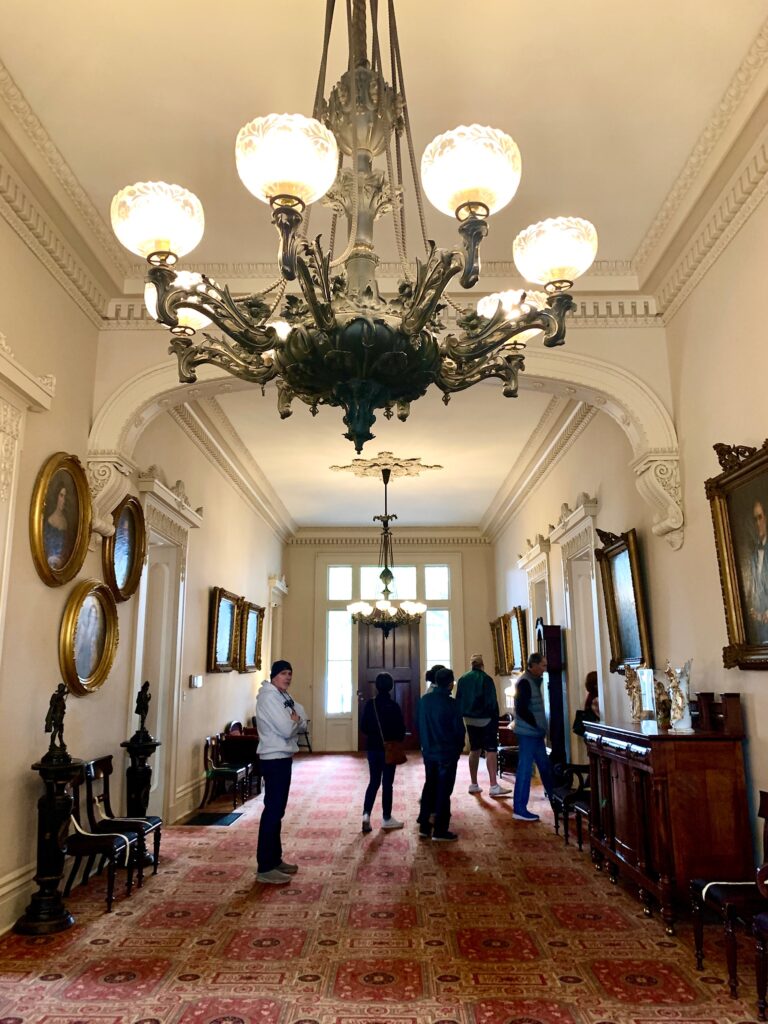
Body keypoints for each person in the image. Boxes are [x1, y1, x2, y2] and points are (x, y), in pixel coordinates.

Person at [254, 659, 308, 884]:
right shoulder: (268, 698)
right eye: (284, 673)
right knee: (273, 811)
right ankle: (265, 866)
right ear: (274, 675)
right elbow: (287, 728)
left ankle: (275, 859)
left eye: (290, 673)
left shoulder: (283, 696)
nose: (288, 677)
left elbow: (303, 720)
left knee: (278, 812)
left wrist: (296, 721)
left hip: (284, 757)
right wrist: (294, 721)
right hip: (273, 758)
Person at [416, 667, 466, 842]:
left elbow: (419, 725)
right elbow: (459, 731)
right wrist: (458, 750)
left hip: (429, 752)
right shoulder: (452, 704)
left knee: (430, 786)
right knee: (444, 791)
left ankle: (424, 826)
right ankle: (440, 830)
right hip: (446, 753)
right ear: (450, 684)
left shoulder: (424, 701)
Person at [455, 653, 510, 798]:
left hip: (469, 719)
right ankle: (493, 785)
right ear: (482, 665)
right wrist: (495, 720)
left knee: (474, 749)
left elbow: (458, 700)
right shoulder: (486, 679)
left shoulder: (463, 679)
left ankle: (473, 784)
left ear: (471, 664)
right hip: (486, 719)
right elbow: (492, 702)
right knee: (491, 750)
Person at [359, 672, 406, 833]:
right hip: (389, 750)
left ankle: (366, 814)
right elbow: (401, 731)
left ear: (376, 687)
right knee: (387, 783)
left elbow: (363, 728)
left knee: (373, 782)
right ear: (391, 687)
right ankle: (386, 818)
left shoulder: (369, 705)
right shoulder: (394, 707)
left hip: (373, 748)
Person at [513, 652, 554, 822]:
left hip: (535, 734)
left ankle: (557, 804)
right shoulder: (525, 682)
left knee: (545, 767)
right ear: (534, 665)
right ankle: (519, 808)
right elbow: (522, 709)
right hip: (528, 733)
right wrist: (536, 724)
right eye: (543, 665)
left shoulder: (533, 681)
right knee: (524, 769)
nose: (545, 669)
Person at [747, 498, 768, 643]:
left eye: (760, 517)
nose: (757, 523)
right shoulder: (754, 554)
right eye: (755, 519)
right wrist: (752, 608)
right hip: (760, 631)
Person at [44, 481, 73, 570]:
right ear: (56, 496)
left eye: (65, 497)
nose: (63, 500)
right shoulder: (49, 520)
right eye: (61, 495)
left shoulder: (67, 522)